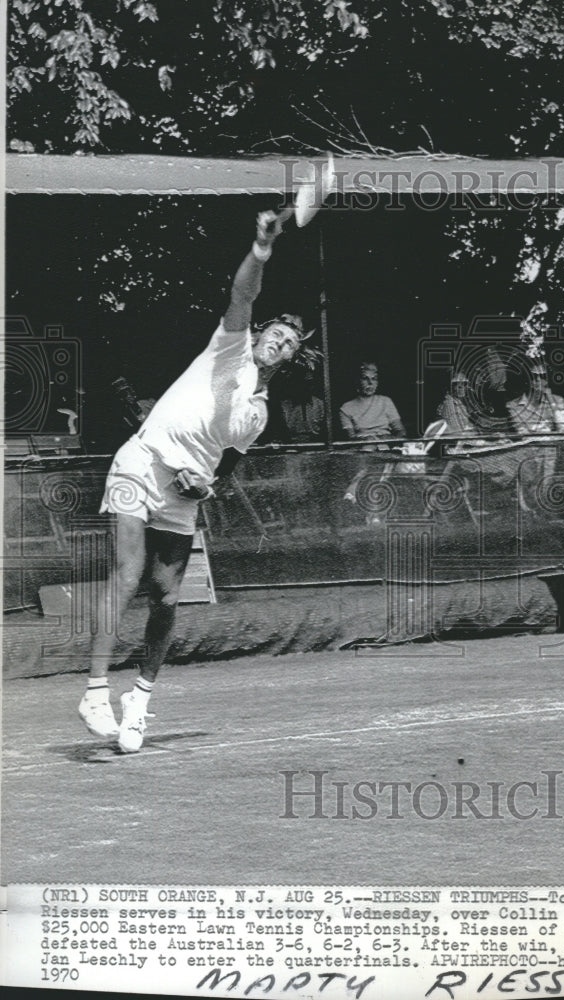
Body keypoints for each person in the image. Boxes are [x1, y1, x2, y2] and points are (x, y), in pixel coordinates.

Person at [78, 210, 313, 753]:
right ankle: (95, 691)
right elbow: (242, 295)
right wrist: (261, 248)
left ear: (291, 358)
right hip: (141, 461)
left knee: (165, 598)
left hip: (183, 497)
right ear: (258, 335)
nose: (279, 342)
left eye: (289, 344)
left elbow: (225, 467)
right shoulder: (229, 345)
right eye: (275, 334)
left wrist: (204, 488)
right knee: (127, 571)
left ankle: (138, 699)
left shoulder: (258, 414)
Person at [506, 358, 564, 435]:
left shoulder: (557, 400)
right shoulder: (513, 406)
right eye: (533, 376)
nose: (538, 379)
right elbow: (523, 434)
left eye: (542, 376)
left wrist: (551, 401)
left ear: (547, 380)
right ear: (527, 379)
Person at [339, 362, 406, 446]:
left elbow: (400, 431)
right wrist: (366, 440)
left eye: (374, 379)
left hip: (386, 444)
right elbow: (349, 438)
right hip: (362, 448)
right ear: (357, 381)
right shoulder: (346, 408)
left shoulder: (386, 401)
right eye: (365, 378)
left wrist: (391, 440)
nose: (370, 383)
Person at [437, 371, 478, 436]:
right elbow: (457, 433)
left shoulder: (458, 402)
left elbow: (468, 425)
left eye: (464, 383)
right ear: (448, 386)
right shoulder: (449, 404)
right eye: (456, 384)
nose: (461, 387)